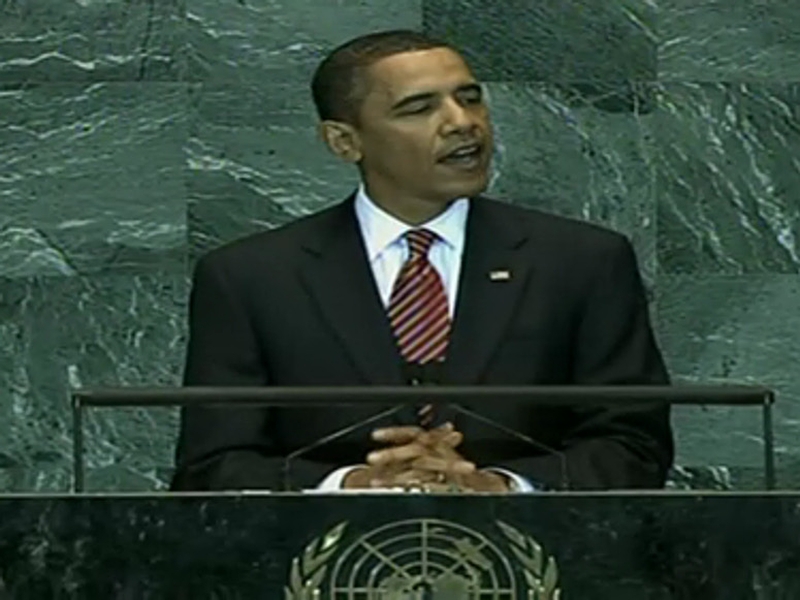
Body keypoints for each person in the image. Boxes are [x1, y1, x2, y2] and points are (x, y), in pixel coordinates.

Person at [170, 29, 673, 493]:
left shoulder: (582, 261)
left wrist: (500, 486)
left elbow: (634, 446)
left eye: (470, 98)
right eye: (418, 108)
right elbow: (213, 466)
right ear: (344, 141)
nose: (462, 123)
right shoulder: (252, 277)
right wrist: (350, 485)